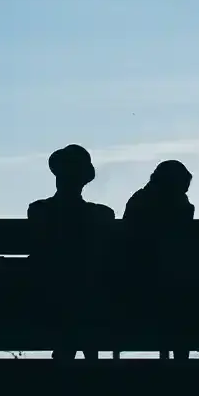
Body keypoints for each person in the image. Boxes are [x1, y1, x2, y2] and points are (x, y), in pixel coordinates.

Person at [27, 144, 115, 360]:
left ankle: (66, 359)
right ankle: (86, 361)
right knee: (81, 299)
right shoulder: (100, 214)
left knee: (70, 299)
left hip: (48, 294)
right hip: (89, 296)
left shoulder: (39, 210)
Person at [117, 160, 199, 360]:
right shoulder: (177, 206)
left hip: (137, 280)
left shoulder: (139, 200)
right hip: (166, 282)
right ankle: (183, 357)